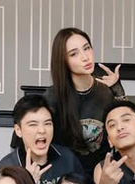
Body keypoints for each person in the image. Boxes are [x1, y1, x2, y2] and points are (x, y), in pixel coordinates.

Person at [47, 27, 126, 175]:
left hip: (102, 174)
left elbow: (129, 130)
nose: (85, 57)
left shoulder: (107, 90)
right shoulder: (52, 97)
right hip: (64, 177)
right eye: (74, 54)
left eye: (87, 48)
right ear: (63, 61)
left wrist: (117, 90)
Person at [0, 94, 84, 184]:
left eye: (47, 123)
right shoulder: (6, 168)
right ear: (18, 130)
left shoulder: (67, 158)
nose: (42, 130)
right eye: (33, 124)